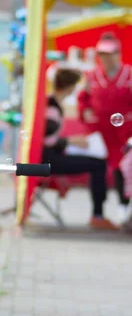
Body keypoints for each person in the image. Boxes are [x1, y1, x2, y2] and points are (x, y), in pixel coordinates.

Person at [43, 68, 117, 230]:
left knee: (98, 162)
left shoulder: (53, 103)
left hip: (52, 156)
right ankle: (98, 215)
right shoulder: (51, 106)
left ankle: (98, 214)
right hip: (48, 159)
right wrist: (70, 141)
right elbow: (44, 138)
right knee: (98, 164)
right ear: (70, 86)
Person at [78, 32, 132, 221]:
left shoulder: (129, 74)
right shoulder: (91, 76)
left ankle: (123, 206)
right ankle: (98, 212)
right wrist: (84, 111)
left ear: (118, 53)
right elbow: (83, 99)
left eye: (110, 53)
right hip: (99, 132)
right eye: (102, 54)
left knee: (122, 167)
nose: (106, 58)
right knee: (98, 167)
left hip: (123, 132)